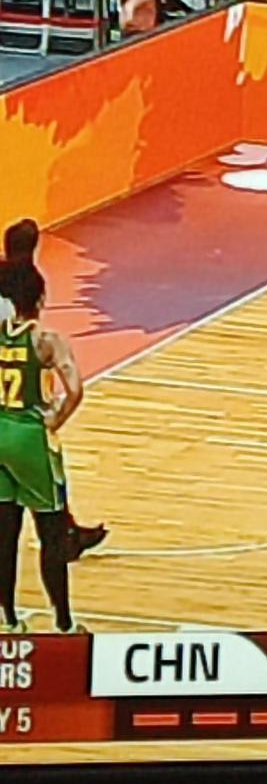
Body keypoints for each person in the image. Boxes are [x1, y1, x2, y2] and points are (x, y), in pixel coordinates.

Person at [0, 221, 106, 563]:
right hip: (22, 418)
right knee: (42, 491)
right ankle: (63, 539)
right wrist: (56, 417)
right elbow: (73, 389)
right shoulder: (22, 295)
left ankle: (66, 531)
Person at [0, 265, 87, 633]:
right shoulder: (46, 340)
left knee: (5, 534)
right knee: (51, 533)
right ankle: (64, 624)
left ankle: (8, 620)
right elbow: (75, 389)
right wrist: (56, 419)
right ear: (41, 298)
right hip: (29, 437)